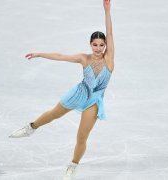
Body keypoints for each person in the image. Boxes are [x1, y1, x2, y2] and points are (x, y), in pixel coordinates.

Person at [9, 0, 114, 179]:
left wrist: (107, 10)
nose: (98, 48)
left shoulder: (109, 59)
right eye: (95, 45)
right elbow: (61, 56)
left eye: (101, 45)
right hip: (79, 93)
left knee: (81, 136)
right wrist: (39, 54)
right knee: (53, 114)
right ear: (90, 45)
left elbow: (110, 32)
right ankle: (31, 127)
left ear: (105, 46)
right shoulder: (84, 59)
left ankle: (73, 166)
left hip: (94, 101)